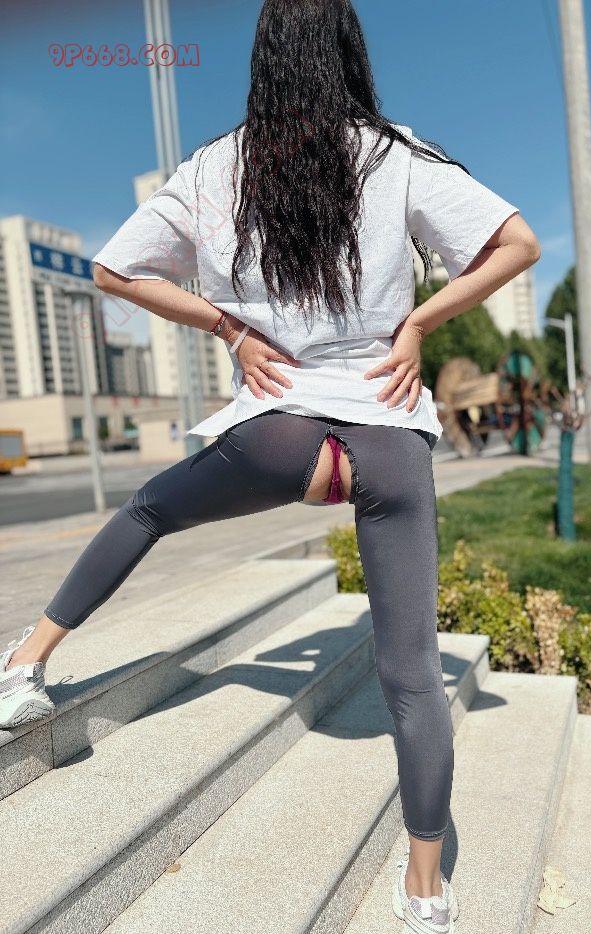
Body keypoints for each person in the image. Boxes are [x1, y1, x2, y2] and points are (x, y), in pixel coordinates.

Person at [0, 1, 540, 930]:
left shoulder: (214, 165)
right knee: (412, 671)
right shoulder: (395, 154)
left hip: (277, 429)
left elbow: (114, 271)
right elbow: (517, 244)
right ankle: (426, 890)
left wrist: (229, 327)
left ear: (265, 60)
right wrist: (416, 323)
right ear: (348, 54)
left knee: (148, 510)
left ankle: (24, 667)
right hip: (387, 434)